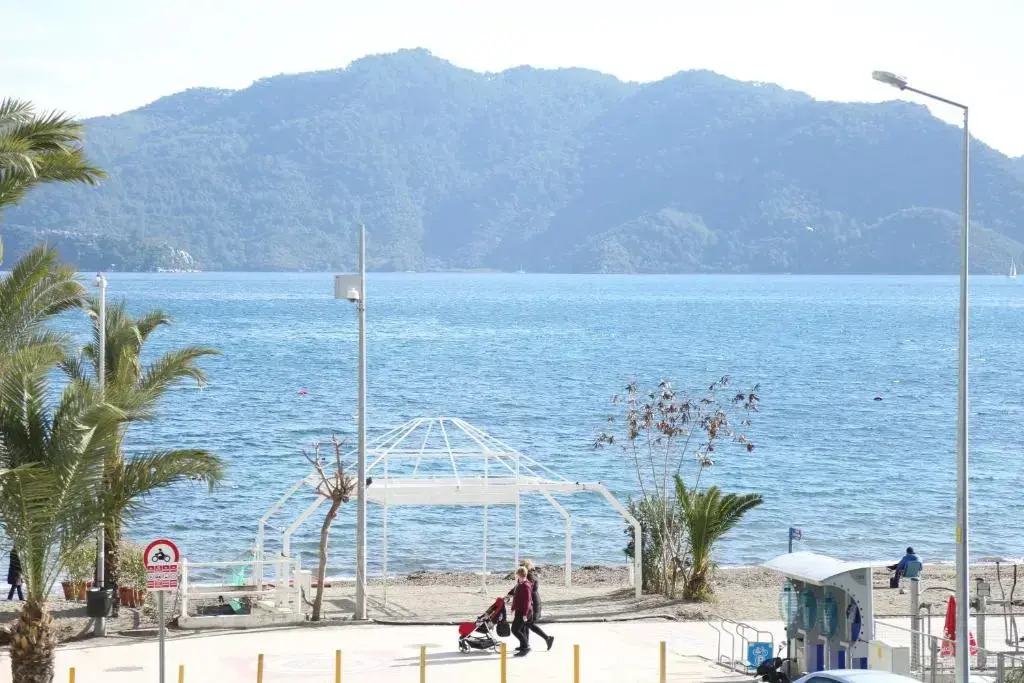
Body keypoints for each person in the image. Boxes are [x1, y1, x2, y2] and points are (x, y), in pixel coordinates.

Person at [521, 560, 554, 651]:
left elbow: (526, 589)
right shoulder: (530, 575)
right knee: (526, 624)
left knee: (528, 624)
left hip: (533, 603)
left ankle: (547, 638)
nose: (519, 567)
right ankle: (525, 644)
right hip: (533, 602)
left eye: (521, 565)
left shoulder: (529, 576)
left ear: (525, 567)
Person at [510, 566, 533, 656]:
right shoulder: (520, 583)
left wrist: (525, 614)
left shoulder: (526, 585)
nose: (517, 576)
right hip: (519, 610)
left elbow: (527, 601)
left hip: (524, 612)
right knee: (521, 629)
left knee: (515, 630)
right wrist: (513, 608)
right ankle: (522, 646)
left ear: (520, 575)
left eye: (518, 575)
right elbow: (517, 598)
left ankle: (526, 647)